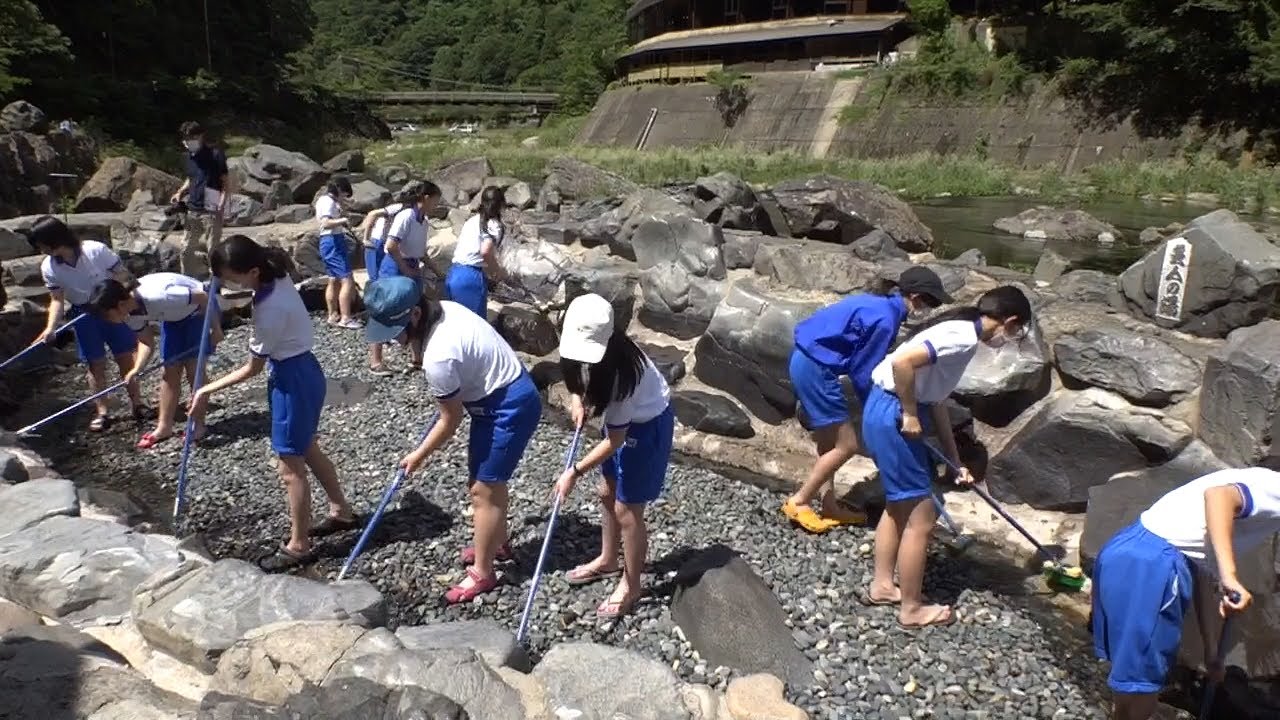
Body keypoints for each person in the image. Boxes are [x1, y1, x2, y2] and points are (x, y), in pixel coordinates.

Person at [861, 285, 1031, 628]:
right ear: (1010, 321)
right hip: (894, 414)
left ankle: (882, 586)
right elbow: (902, 363)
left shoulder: (961, 333)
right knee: (921, 519)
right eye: (1018, 331)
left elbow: (937, 401)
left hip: (882, 411)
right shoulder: (961, 338)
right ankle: (911, 608)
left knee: (898, 505)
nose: (1013, 337)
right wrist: (909, 414)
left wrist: (956, 462)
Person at [366, 276, 541, 604]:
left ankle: (484, 572)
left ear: (415, 316)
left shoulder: (439, 357)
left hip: (508, 406)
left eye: (395, 333)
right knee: (483, 483)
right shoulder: (443, 309)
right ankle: (496, 542)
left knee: (482, 490)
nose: (392, 342)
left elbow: (451, 419)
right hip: (493, 396)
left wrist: (417, 455)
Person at [190, 235, 357, 572]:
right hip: (306, 370)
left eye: (233, 278)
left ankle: (299, 544)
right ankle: (341, 511)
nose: (228, 284)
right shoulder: (275, 272)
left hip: (291, 380)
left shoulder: (269, 309)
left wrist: (205, 391)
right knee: (307, 447)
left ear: (252, 270)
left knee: (289, 467)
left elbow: (253, 368)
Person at [1092, 464, 1278, 720]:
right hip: (1154, 566)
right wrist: (1230, 576)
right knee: (1144, 683)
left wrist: (1211, 652)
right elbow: (1218, 496)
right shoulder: (1276, 491)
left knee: (1131, 677)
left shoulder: (1258, 480)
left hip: (1129, 550)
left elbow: (1201, 570)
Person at [783, 266, 951, 533]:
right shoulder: (886, 321)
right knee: (847, 445)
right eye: (931, 303)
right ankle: (800, 501)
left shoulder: (875, 303)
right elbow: (864, 372)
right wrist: (879, 407)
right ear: (917, 298)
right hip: (817, 371)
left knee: (829, 444)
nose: (930, 309)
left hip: (804, 360)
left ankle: (829, 506)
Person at [552, 293, 674, 619]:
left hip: (646, 427)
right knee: (607, 491)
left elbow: (616, 440)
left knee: (627, 509)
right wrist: (578, 399)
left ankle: (631, 585)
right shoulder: (595, 350)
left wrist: (574, 472)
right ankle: (608, 559)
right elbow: (579, 377)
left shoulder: (622, 376)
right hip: (622, 425)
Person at [25, 216, 143, 431]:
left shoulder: (95, 250)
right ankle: (103, 411)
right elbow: (57, 299)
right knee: (95, 363)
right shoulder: (49, 267)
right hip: (84, 314)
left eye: (41, 244)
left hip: (112, 306)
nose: (41, 249)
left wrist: (128, 303)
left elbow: (124, 276)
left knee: (125, 357)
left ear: (54, 239)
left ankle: (138, 404)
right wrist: (50, 328)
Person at [88, 273, 224, 449]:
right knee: (169, 372)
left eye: (107, 316)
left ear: (120, 305)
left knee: (194, 370)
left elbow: (204, 297)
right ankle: (164, 427)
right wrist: (136, 369)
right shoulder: (130, 314)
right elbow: (146, 341)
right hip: (173, 318)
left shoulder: (159, 296)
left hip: (197, 312)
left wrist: (216, 329)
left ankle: (198, 425)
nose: (106, 321)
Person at [356, 191, 408, 377]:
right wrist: (366, 237)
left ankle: (388, 332)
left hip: (382, 243)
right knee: (378, 286)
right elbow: (372, 214)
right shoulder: (399, 207)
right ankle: (378, 331)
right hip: (377, 243)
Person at [171, 121, 233, 277]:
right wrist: (180, 192)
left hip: (211, 209)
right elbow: (191, 178)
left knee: (213, 249)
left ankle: (216, 281)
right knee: (186, 249)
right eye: (186, 138)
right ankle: (188, 279)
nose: (188, 141)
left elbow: (225, 181)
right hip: (193, 209)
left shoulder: (215, 155)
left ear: (200, 136)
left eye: (192, 137)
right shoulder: (189, 157)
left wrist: (222, 203)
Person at [445, 186, 507, 318]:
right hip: (470, 278)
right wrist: (497, 271)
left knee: (455, 322)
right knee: (474, 325)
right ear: (501, 205)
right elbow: (485, 252)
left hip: (453, 274)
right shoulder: (493, 224)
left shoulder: (472, 221)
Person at [314, 176, 360, 329]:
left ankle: (333, 314)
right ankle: (346, 317)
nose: (344, 198)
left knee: (333, 279)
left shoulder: (323, 200)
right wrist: (343, 220)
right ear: (339, 190)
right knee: (346, 279)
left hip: (327, 241)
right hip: (333, 241)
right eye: (344, 194)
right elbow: (326, 223)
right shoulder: (328, 202)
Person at [379, 181, 442, 289]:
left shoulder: (424, 222)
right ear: (426, 198)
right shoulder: (406, 216)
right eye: (435, 202)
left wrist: (437, 272)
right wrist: (406, 270)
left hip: (412, 265)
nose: (436, 206)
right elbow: (391, 246)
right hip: (395, 266)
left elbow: (420, 252)